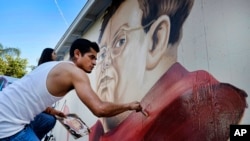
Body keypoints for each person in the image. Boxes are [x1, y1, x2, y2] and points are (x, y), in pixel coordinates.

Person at [89, 0, 248, 141]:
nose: (105, 63)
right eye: (102, 53)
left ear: (156, 40)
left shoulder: (202, 106)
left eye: (120, 42)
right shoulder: (98, 132)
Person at [0, 38, 142, 141]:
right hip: (7, 126)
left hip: (4, 108)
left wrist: (53, 111)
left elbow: (30, 96)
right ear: (77, 53)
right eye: (91, 57)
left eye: (96, 59)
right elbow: (100, 109)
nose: (95, 62)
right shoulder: (75, 73)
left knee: (49, 120)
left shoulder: (50, 65)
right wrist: (129, 105)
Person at [29, 48, 65, 140]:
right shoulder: (45, 71)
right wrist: (53, 111)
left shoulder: (40, 70)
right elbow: (36, 101)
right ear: (49, 55)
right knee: (49, 119)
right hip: (29, 113)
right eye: (54, 53)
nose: (56, 55)